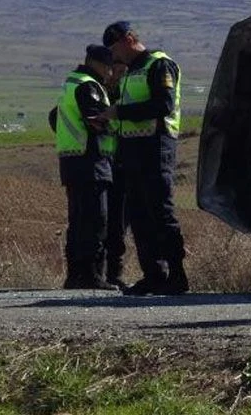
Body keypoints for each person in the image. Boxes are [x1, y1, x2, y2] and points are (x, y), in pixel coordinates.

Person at [97, 21, 188, 296]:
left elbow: (164, 104)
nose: (114, 55)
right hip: (133, 151)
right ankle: (153, 275)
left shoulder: (159, 65)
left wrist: (120, 113)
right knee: (139, 216)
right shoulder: (130, 72)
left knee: (160, 212)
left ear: (128, 39)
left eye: (115, 48)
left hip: (156, 146)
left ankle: (177, 275)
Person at [54, 44, 119, 290]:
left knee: (78, 221)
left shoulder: (71, 83)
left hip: (72, 161)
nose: (111, 74)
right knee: (95, 220)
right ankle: (92, 275)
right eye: (109, 68)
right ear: (98, 64)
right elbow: (96, 122)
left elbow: (54, 117)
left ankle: (75, 275)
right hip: (90, 160)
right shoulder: (88, 86)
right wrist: (116, 122)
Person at [102, 61, 130, 288]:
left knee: (120, 223)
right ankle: (105, 273)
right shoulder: (97, 93)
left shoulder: (129, 95)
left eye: (122, 71)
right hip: (107, 164)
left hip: (125, 164)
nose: (118, 75)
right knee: (108, 222)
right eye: (116, 70)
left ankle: (114, 272)